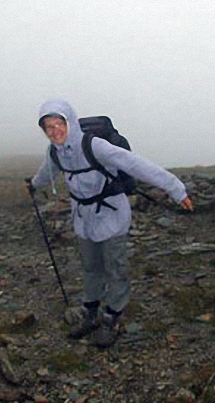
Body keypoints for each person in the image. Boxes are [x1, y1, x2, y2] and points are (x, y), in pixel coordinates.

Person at [26, 99, 193, 348]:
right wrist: (33, 185)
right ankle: (91, 312)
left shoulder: (94, 146)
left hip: (112, 215)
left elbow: (137, 165)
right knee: (91, 267)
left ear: (69, 122)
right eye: (48, 127)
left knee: (115, 267)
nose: (54, 131)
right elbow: (46, 173)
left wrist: (176, 190)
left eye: (59, 124)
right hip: (83, 218)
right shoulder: (55, 152)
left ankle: (111, 318)